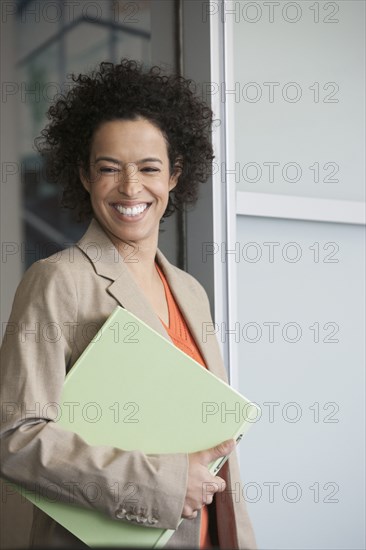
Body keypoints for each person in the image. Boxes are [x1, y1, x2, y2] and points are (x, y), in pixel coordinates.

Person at [0, 59, 257, 549]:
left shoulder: (190, 291)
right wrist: (161, 484)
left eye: (149, 168)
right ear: (83, 174)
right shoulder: (58, 281)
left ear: (176, 175)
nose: (131, 188)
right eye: (109, 169)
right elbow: (15, 440)